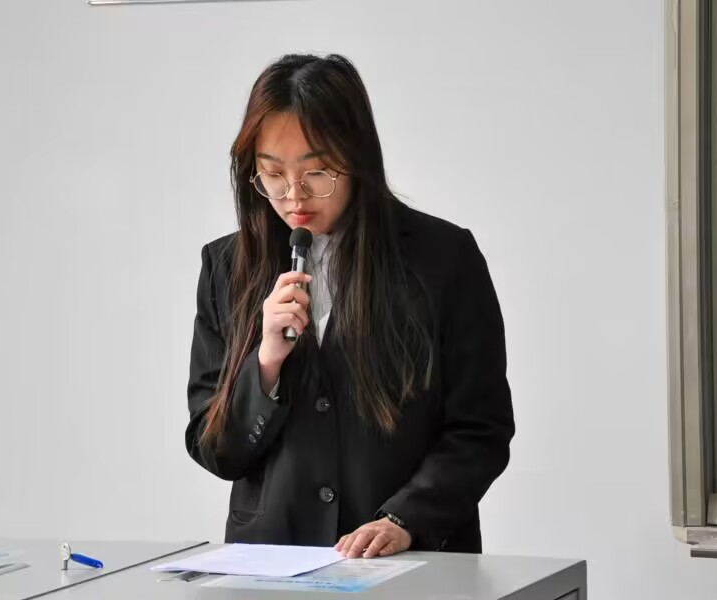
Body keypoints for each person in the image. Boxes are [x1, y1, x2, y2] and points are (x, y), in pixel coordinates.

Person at [186, 53, 514, 559]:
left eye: (316, 172)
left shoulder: (444, 258)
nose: (293, 195)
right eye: (272, 174)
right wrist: (265, 365)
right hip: (271, 566)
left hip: (410, 562)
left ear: (356, 158)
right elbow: (215, 450)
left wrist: (406, 519)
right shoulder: (225, 267)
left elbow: (480, 428)